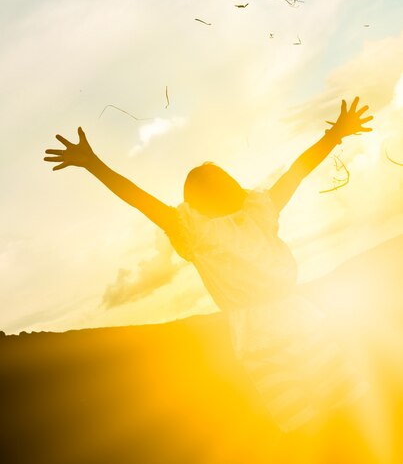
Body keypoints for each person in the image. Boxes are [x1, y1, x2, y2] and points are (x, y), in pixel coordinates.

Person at [44, 98, 375, 441]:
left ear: (193, 203)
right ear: (232, 186)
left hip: (260, 340)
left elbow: (140, 200)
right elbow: (298, 170)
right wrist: (336, 133)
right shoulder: (256, 212)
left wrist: (94, 164)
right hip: (298, 324)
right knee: (344, 410)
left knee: (305, 426)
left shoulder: (199, 232)